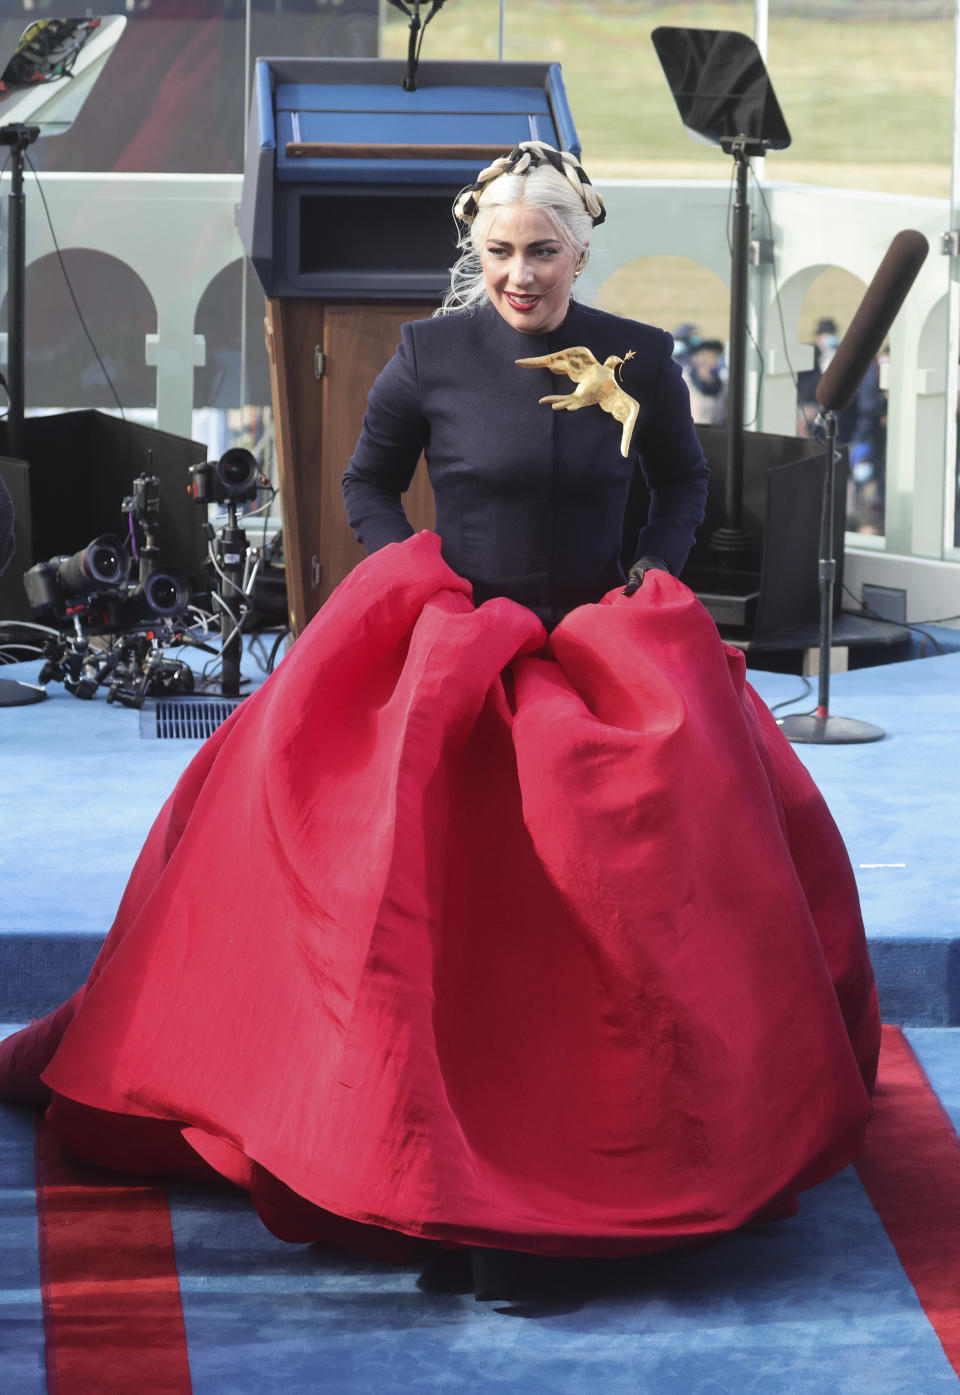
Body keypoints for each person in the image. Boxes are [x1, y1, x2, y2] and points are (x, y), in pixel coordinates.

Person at [0, 142, 880, 1303]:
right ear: (477, 247)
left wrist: (646, 583)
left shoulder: (644, 358)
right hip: (464, 646)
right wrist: (415, 575)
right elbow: (367, 480)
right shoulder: (430, 354)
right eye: (501, 252)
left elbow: (684, 486)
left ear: (581, 248)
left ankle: (599, 1148)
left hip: (599, 657)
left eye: (545, 253)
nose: (522, 275)